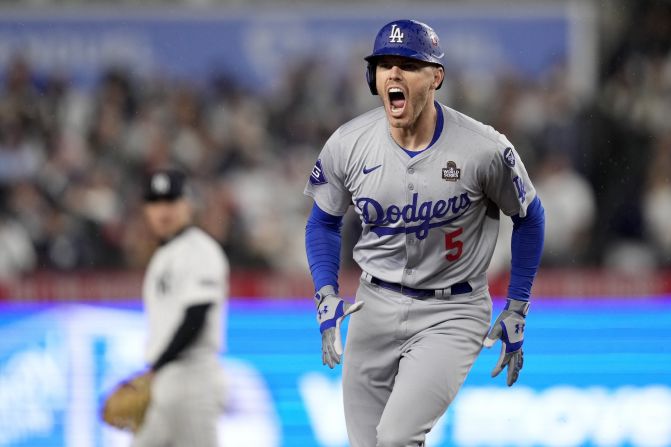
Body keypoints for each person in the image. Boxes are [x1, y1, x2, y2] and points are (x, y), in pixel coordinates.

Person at [304, 19, 545, 447]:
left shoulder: (483, 148)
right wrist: (325, 292)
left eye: (409, 65)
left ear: (436, 77)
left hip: (452, 311)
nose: (394, 75)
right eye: (384, 65)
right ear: (372, 79)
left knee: (396, 439)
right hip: (373, 304)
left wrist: (518, 306)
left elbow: (530, 216)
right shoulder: (348, 143)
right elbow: (322, 220)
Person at [133, 168, 228, 447]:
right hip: (164, 380)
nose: (163, 211)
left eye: (171, 202)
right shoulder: (164, 254)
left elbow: (195, 317)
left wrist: (157, 364)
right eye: (155, 203)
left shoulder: (200, 249)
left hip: (192, 378)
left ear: (187, 204)